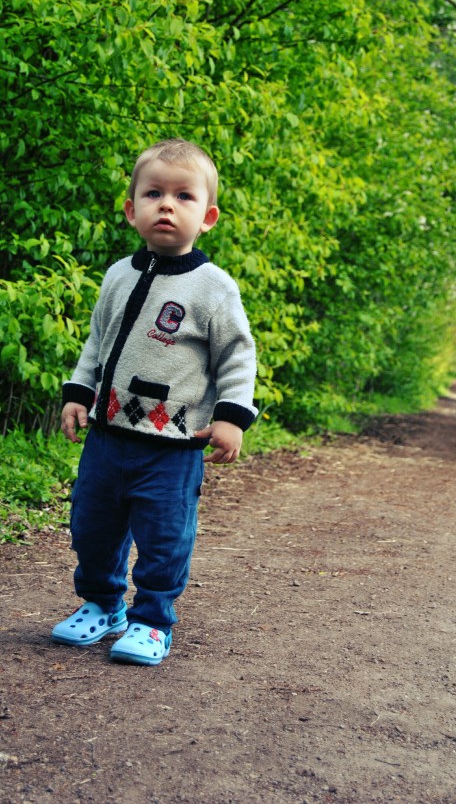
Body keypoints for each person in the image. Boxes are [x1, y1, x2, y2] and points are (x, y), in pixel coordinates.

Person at [51, 138, 257, 666]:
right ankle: (102, 605)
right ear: (131, 209)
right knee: (91, 526)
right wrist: (79, 392)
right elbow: (97, 343)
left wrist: (231, 416)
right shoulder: (118, 275)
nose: (167, 205)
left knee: (164, 538)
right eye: (154, 194)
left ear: (207, 217)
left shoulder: (213, 288)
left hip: (172, 445)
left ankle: (151, 620)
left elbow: (237, 355)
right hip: (107, 436)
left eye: (183, 197)